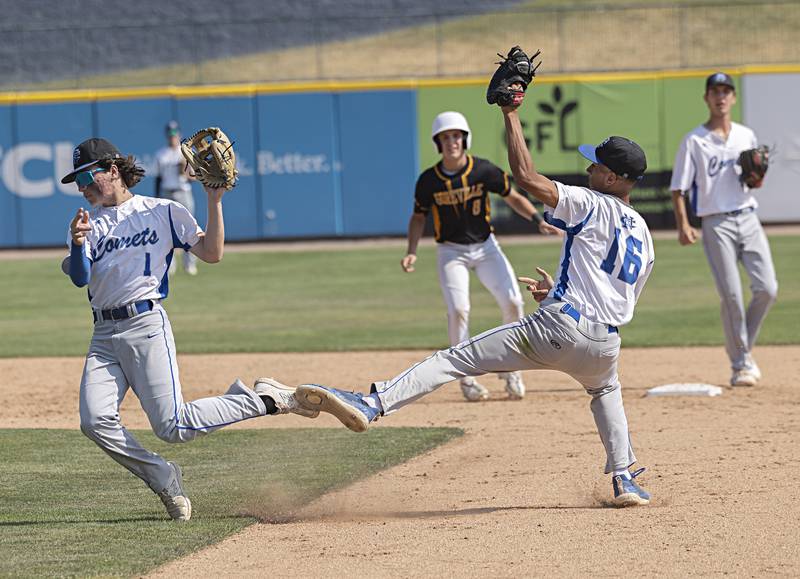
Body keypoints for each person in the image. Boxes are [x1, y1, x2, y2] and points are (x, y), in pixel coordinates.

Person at [289, 97, 656, 506]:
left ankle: (372, 403)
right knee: (606, 391)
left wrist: (511, 112)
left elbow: (526, 177)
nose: (589, 168)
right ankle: (624, 477)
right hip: (605, 343)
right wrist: (558, 294)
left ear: (611, 177)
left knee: (455, 359)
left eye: (596, 165)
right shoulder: (644, 233)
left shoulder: (590, 202)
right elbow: (617, 297)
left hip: (558, 327)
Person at [62, 138, 316, 522]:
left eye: (87, 176)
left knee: (173, 426)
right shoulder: (89, 224)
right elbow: (80, 278)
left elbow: (211, 254)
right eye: (78, 181)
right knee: (94, 421)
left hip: (146, 325)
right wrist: (79, 244)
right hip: (103, 337)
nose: (82, 187)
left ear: (112, 171)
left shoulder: (163, 211)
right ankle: (163, 476)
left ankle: (264, 400)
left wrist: (214, 202)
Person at [403, 111, 560, 402]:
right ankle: (466, 379)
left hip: (486, 246)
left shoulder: (482, 170)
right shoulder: (428, 181)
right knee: (459, 309)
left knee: (513, 301)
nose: (452, 142)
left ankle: (512, 369)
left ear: (465, 139)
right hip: (451, 251)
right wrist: (411, 251)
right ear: (438, 143)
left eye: (456, 136)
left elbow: (512, 195)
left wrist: (537, 219)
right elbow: (417, 217)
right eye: (445, 137)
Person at [670, 72, 778, 387]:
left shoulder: (746, 135)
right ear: (706, 98)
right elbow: (679, 189)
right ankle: (741, 363)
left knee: (767, 289)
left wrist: (757, 177)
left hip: (748, 217)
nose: (721, 97)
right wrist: (683, 225)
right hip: (716, 223)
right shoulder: (694, 140)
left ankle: (743, 347)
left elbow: (753, 181)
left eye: (726, 91)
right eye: (715, 91)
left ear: (733, 97)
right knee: (731, 295)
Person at [154, 120, 198, 276]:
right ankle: (170, 264)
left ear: (179, 134)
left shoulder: (185, 152)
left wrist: (185, 172)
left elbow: (194, 176)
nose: (172, 136)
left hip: (182, 191)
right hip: (166, 192)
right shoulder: (161, 154)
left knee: (189, 228)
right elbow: (158, 178)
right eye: (170, 134)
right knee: (167, 230)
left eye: (175, 133)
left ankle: (190, 264)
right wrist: (157, 197)